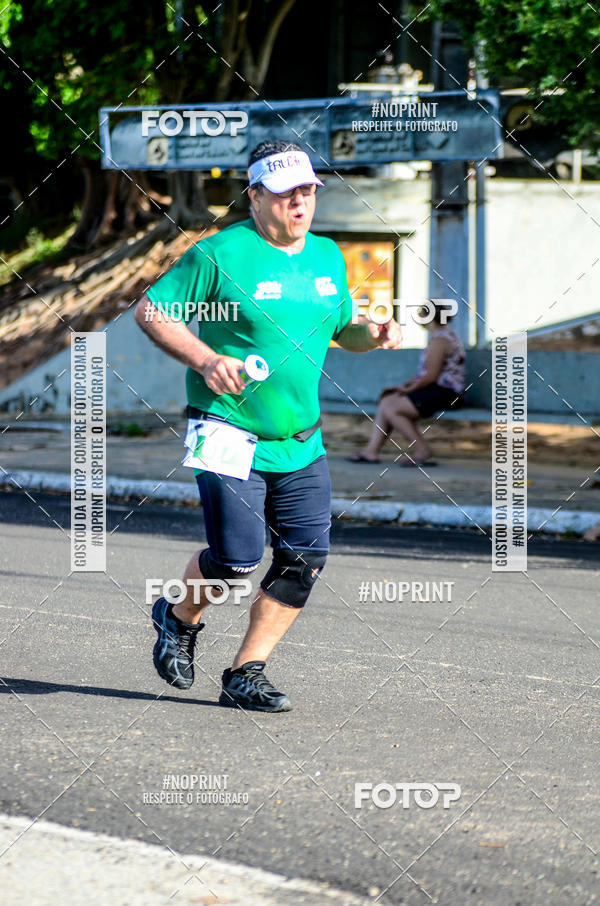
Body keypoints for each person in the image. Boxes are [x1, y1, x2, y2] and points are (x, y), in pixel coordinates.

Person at [134, 140, 401, 712]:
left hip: (302, 440)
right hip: (227, 431)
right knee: (235, 559)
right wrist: (205, 359)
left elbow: (343, 328)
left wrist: (372, 334)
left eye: (308, 191)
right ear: (255, 196)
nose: (300, 203)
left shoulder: (329, 256)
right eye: (285, 194)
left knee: (304, 559)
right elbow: (151, 311)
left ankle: (245, 673)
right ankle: (178, 616)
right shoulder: (220, 255)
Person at [350, 303, 466, 466]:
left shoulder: (440, 340)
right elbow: (426, 374)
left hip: (446, 394)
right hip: (437, 390)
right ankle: (371, 451)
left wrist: (408, 389)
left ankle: (422, 450)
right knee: (387, 401)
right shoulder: (443, 336)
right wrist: (405, 386)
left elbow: (431, 376)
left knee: (392, 408)